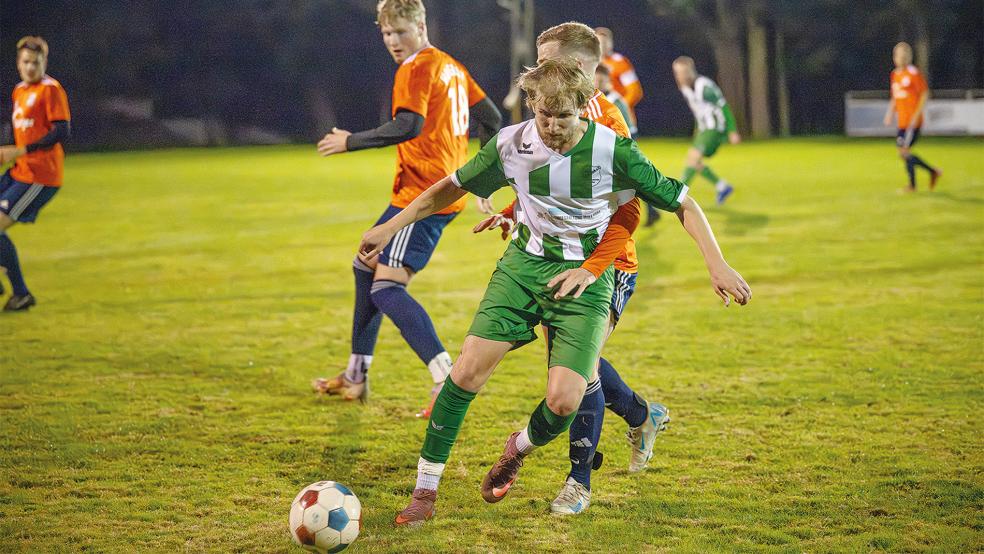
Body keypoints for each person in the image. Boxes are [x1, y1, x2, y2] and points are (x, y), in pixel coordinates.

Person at [358, 58, 750, 525]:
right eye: (543, 115)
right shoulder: (513, 143)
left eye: (562, 117)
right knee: (465, 373)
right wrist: (390, 227)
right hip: (522, 270)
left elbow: (682, 201)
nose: (551, 127)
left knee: (565, 399)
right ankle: (425, 491)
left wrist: (716, 262)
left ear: (584, 107)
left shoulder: (614, 150)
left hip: (584, 281)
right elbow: (449, 188)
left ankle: (518, 447)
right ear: (532, 106)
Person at [481, 22, 673, 516]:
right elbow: (554, 188)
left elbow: (627, 209)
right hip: (557, 260)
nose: (541, 73)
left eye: (551, 64)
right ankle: (641, 415)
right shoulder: (554, 115)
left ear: (584, 69)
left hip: (607, 263)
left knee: (579, 370)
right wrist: (513, 213)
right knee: (576, 367)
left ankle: (579, 482)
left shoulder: (607, 122)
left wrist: (593, 267)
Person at [311, 0, 501, 416]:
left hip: (424, 196)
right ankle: (356, 375)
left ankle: (445, 377)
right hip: (435, 190)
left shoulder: (415, 68)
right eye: (386, 34)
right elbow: (491, 118)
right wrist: (485, 177)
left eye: (400, 31)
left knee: (387, 288)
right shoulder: (451, 65)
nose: (393, 42)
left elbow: (407, 125)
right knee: (365, 265)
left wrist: (350, 141)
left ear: (420, 25)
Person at [0, 36, 71, 312]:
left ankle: (21, 293)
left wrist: (21, 150)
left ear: (44, 63)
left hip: (41, 176)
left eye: (36, 62)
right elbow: (19, 129)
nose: (31, 67)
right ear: (18, 64)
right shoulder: (19, 91)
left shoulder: (50, 89)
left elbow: (62, 131)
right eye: (26, 62)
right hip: (20, 171)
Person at [595, 26, 661, 225]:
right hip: (598, 125)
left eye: (605, 42)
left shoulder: (619, 63)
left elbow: (634, 90)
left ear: (611, 43)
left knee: (628, 171)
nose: (602, 46)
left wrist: (615, 109)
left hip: (620, 126)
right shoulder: (588, 63)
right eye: (598, 42)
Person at [672, 56, 741, 206]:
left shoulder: (704, 87)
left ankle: (678, 195)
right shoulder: (685, 88)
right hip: (705, 129)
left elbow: (724, 107)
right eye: (676, 73)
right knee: (694, 161)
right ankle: (722, 186)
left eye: (682, 72)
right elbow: (699, 112)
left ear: (690, 72)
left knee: (693, 157)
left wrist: (732, 130)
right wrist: (697, 131)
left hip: (715, 128)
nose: (679, 76)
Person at [883, 41, 941, 192]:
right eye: (898, 56)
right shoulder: (895, 75)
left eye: (904, 56)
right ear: (894, 57)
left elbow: (924, 93)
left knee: (904, 152)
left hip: (912, 122)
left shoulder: (913, 73)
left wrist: (917, 114)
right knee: (903, 153)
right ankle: (932, 172)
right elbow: (895, 96)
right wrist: (890, 113)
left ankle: (913, 185)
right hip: (902, 121)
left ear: (909, 57)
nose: (901, 59)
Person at [595, 64, 633, 135]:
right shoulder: (590, 98)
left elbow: (629, 128)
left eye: (601, 81)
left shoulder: (615, 101)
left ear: (608, 80)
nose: (597, 84)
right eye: (595, 80)